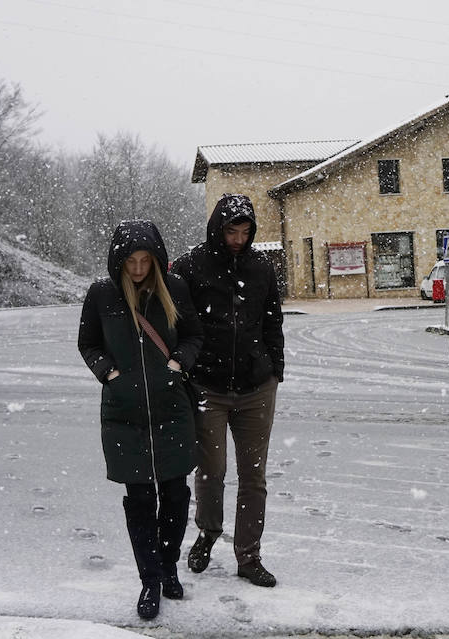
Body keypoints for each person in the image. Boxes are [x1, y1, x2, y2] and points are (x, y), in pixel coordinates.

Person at [78, 220, 203, 619]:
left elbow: (193, 336)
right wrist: (108, 373)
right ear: (119, 260)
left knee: (176, 497)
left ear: (155, 259)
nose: (137, 269)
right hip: (124, 415)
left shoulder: (175, 288)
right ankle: (149, 580)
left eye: (144, 260)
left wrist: (177, 363)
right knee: (140, 501)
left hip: (171, 410)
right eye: (130, 261)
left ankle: (168, 568)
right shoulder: (102, 295)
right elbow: (88, 342)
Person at [170, 193, 284, 588]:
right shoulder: (190, 267)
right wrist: (184, 370)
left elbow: (273, 322)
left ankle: (249, 556)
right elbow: (178, 325)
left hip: (256, 387)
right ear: (217, 228)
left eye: (245, 232)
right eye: (231, 231)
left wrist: (275, 370)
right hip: (208, 387)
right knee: (212, 470)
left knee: (254, 477)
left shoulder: (261, 268)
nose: (238, 239)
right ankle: (209, 531)